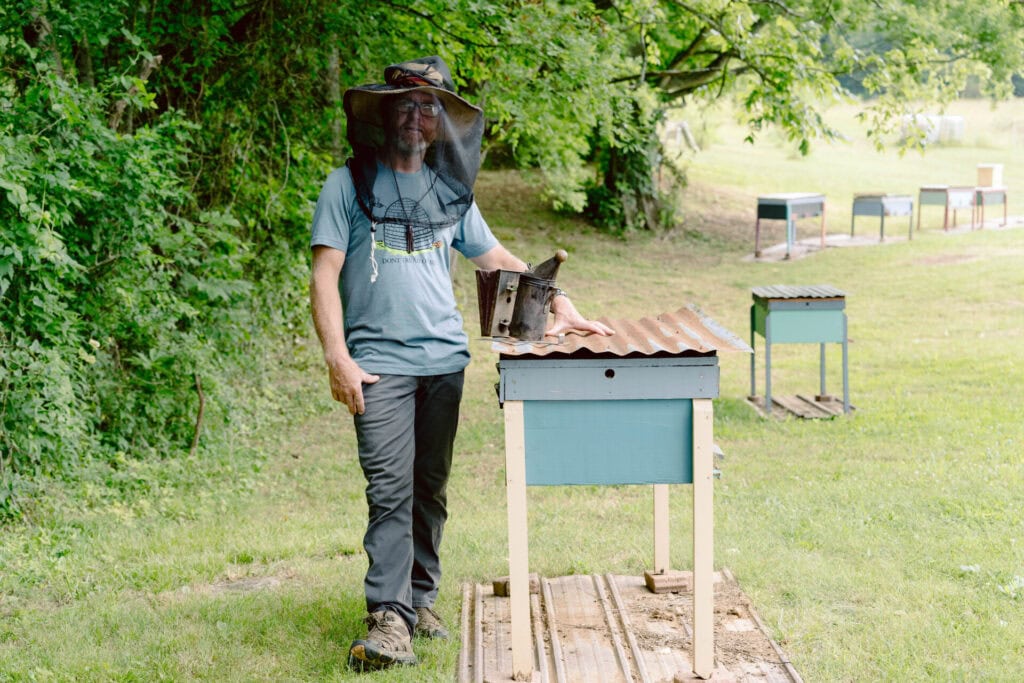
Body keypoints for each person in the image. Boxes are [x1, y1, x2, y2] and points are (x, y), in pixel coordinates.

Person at [309, 56, 613, 672]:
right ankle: (387, 618)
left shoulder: (451, 192)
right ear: (386, 112)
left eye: (430, 108)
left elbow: (497, 259)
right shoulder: (345, 185)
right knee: (389, 490)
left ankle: (420, 602)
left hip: (444, 361)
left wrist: (562, 303)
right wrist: (337, 358)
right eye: (408, 105)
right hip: (377, 366)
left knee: (430, 490)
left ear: (441, 122)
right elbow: (324, 274)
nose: (417, 117)